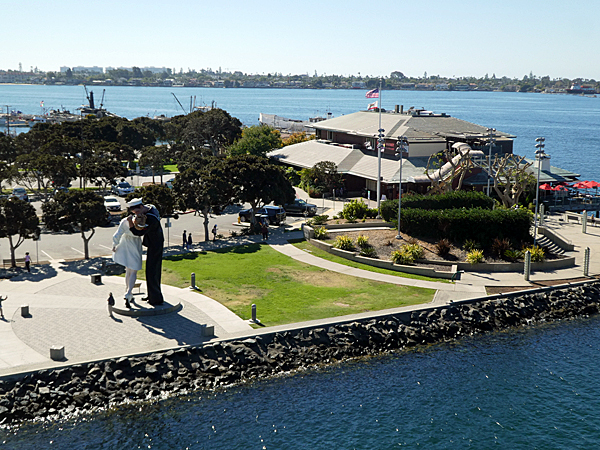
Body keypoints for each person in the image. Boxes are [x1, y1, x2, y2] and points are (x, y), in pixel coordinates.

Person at [127, 198, 164, 306]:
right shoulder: (150, 207)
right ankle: (152, 295)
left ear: (141, 207)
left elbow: (138, 233)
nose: (137, 214)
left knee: (152, 272)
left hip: (155, 244)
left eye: (137, 212)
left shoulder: (151, 218)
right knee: (151, 271)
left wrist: (130, 222)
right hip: (155, 242)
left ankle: (156, 299)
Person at [112, 212, 144, 308]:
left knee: (128, 270)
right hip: (135, 244)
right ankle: (129, 292)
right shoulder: (140, 221)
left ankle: (127, 291)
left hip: (125, 244)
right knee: (133, 271)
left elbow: (117, 234)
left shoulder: (124, 221)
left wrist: (115, 244)